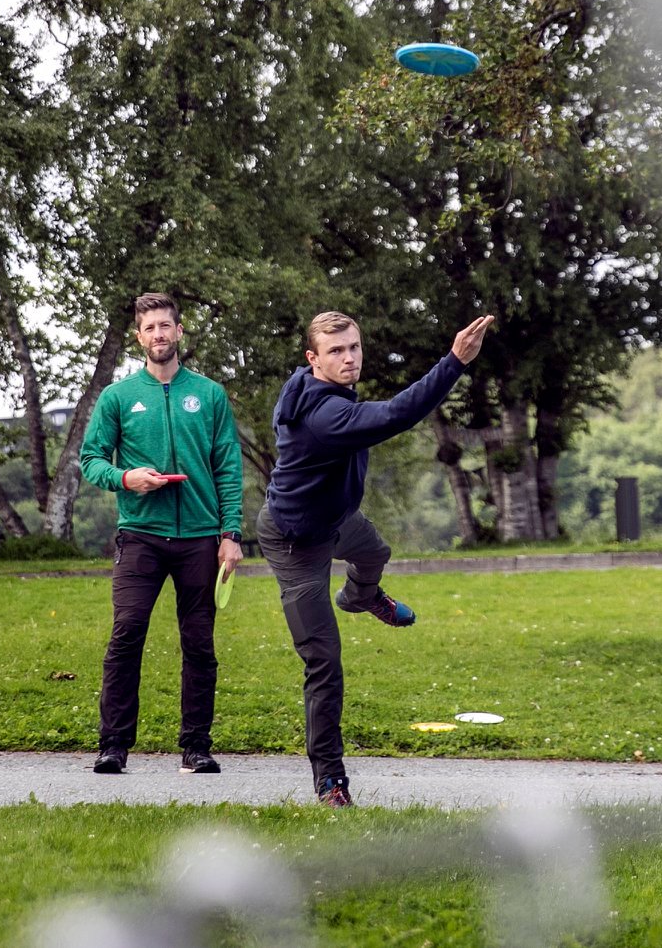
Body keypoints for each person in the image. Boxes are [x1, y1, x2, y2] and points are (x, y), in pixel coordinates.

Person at [259, 310, 494, 807]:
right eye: (336, 352)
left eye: (354, 348)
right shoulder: (325, 415)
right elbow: (395, 416)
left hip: (336, 520)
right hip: (295, 541)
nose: (348, 359)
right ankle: (330, 780)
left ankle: (360, 596)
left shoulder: (311, 384)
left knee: (375, 551)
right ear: (312, 359)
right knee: (324, 662)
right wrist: (454, 362)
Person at [78, 292, 245, 776]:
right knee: (127, 634)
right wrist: (126, 478)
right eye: (150, 328)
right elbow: (92, 461)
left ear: (179, 331)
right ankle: (113, 746)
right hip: (140, 536)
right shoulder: (118, 397)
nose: (159, 335)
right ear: (139, 337)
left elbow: (228, 468)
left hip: (199, 538)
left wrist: (230, 534)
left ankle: (196, 747)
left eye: (166, 326)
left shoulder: (209, 394)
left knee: (199, 644)